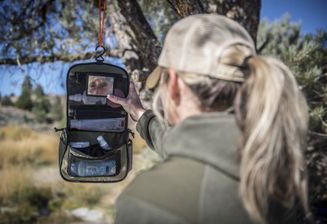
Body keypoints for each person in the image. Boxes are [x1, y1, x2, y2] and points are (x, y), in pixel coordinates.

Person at [107, 14, 310, 224]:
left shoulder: (147, 201)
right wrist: (139, 113)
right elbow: (187, 145)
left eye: (163, 82)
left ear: (175, 84)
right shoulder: (286, 172)